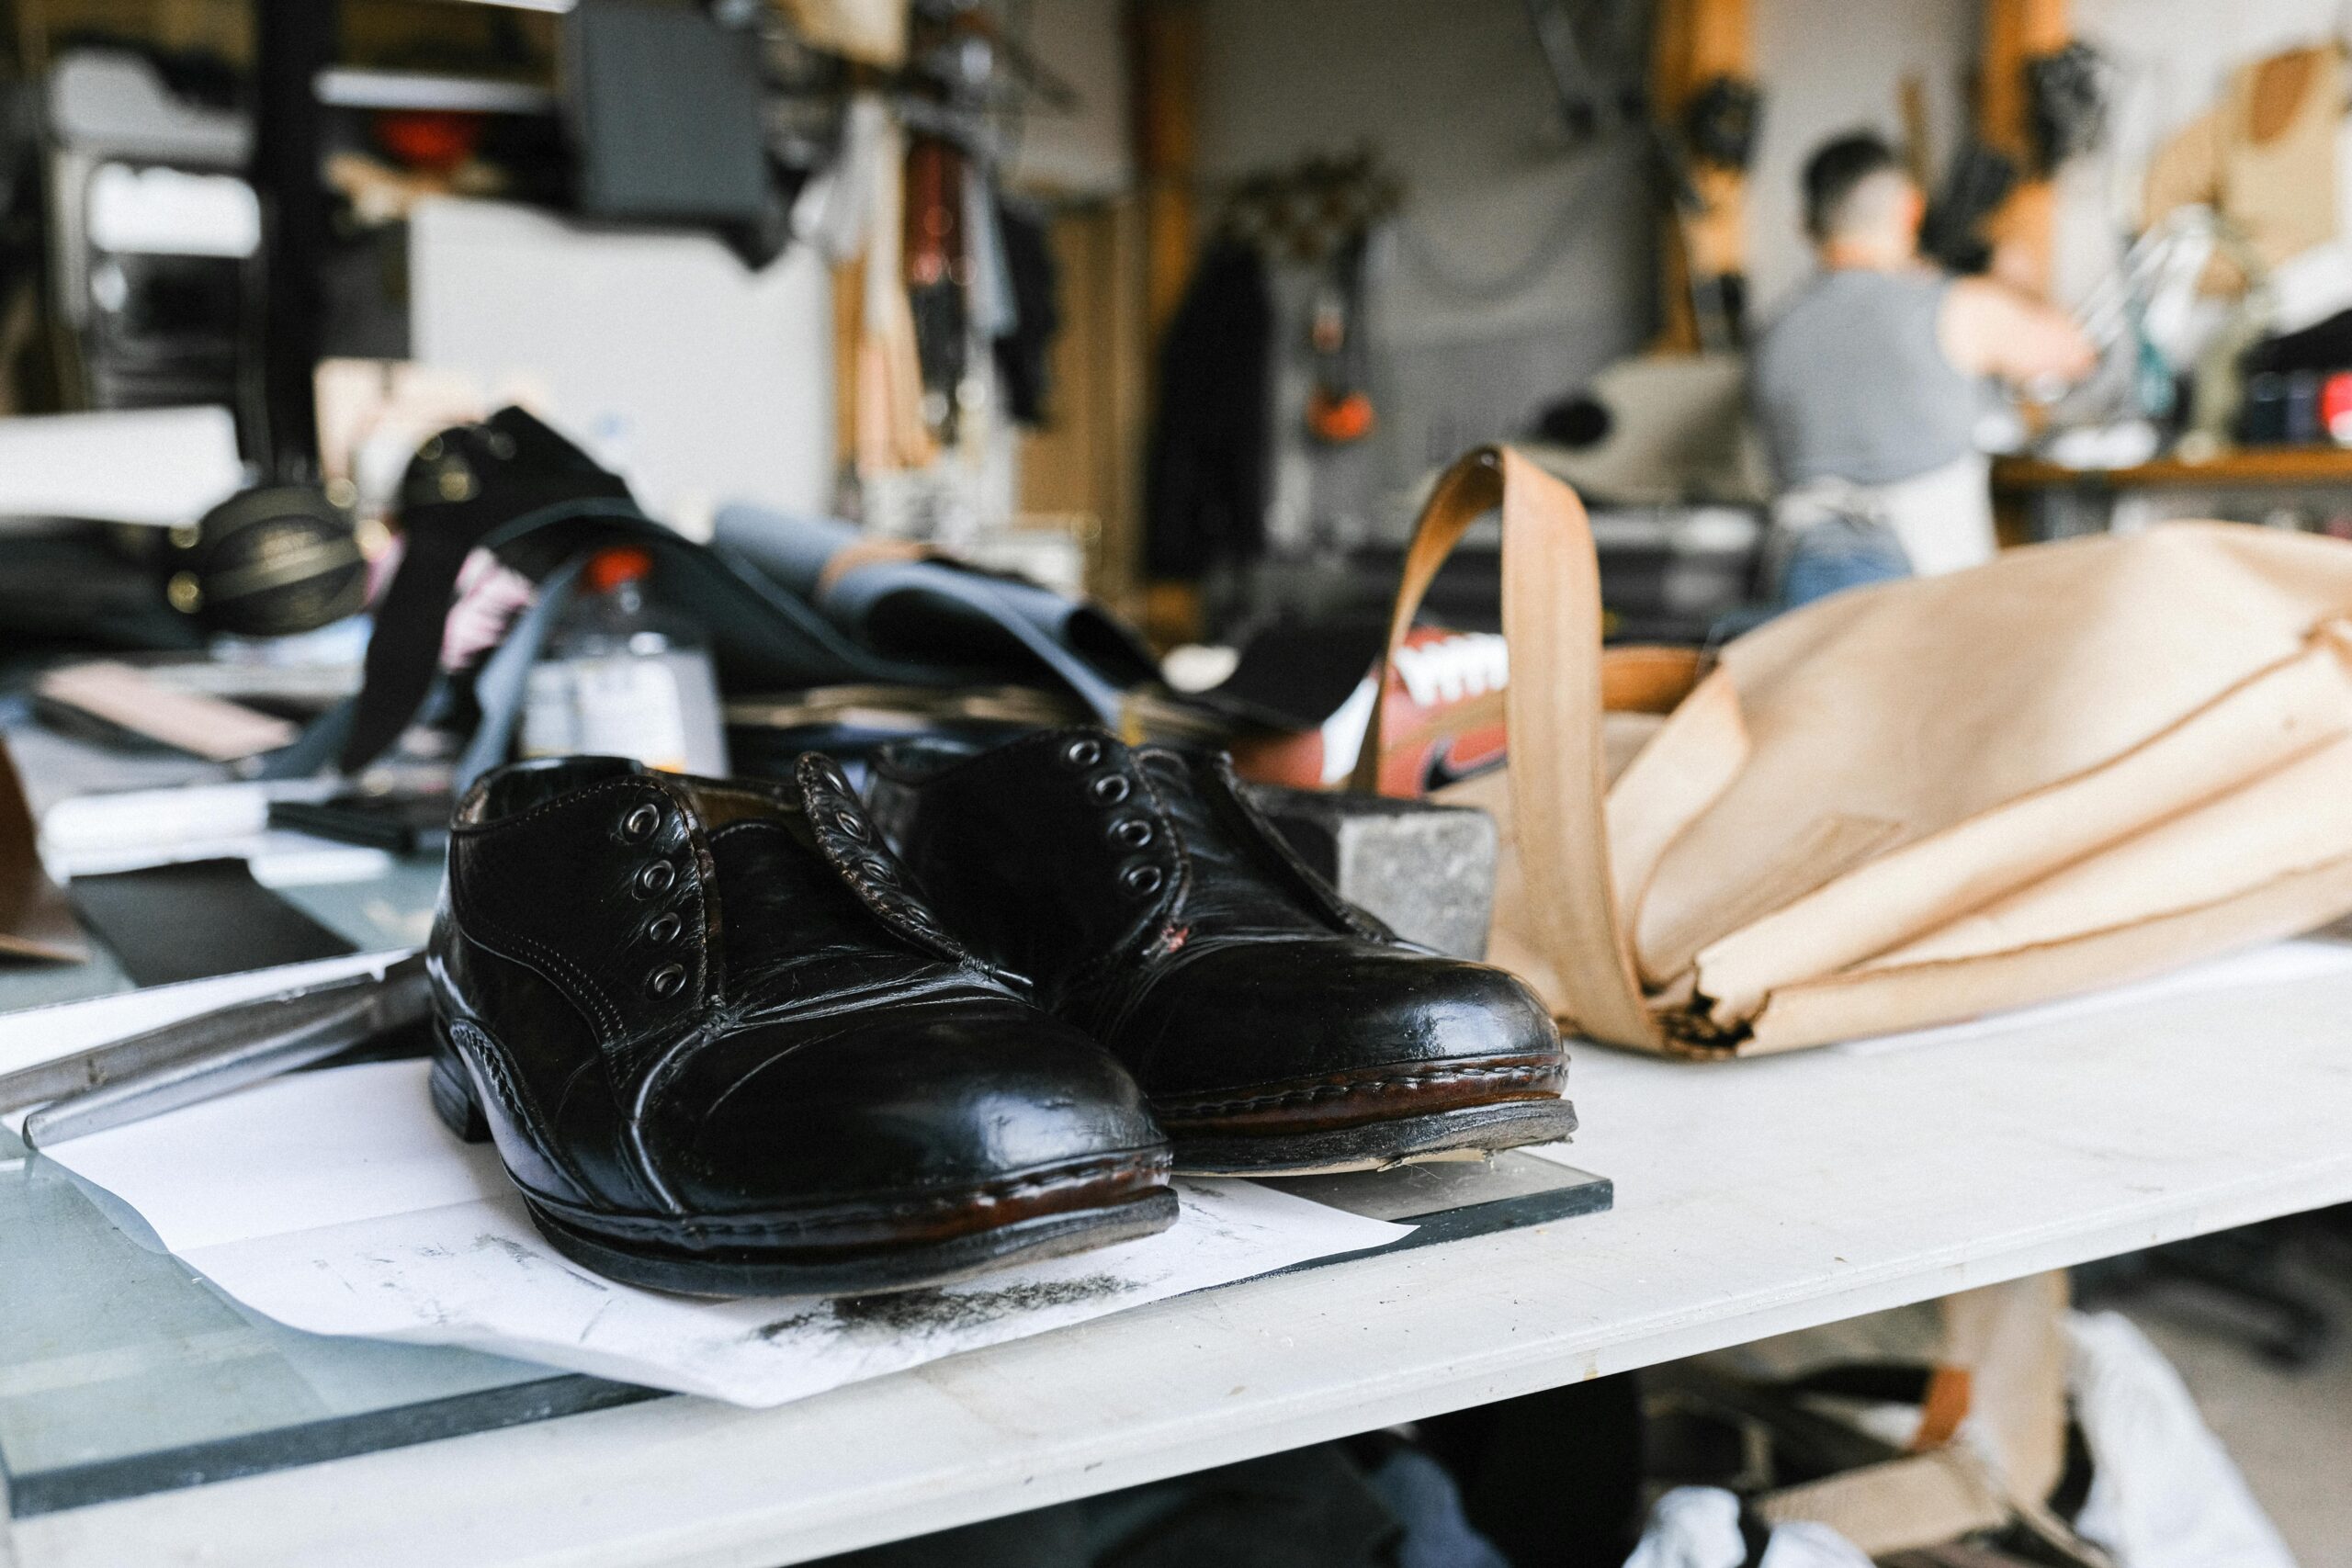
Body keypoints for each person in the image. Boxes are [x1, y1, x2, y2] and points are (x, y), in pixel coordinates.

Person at [1749, 132, 2095, 600]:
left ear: (1807, 225)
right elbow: (2074, 352)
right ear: (1910, 209)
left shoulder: (1772, 333)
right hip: (1925, 590)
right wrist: (2011, 278)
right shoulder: (1951, 308)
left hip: (1797, 580)